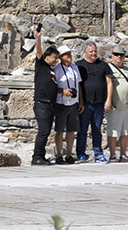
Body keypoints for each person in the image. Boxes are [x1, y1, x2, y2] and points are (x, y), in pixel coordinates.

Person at [76, 41, 113, 163]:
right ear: (85, 52)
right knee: (82, 130)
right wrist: (80, 102)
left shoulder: (103, 65)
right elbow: (78, 85)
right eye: (91, 51)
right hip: (85, 103)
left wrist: (108, 100)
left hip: (99, 103)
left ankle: (98, 153)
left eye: (95, 51)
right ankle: (81, 154)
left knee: (97, 129)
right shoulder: (79, 65)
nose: (94, 53)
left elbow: (109, 82)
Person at [32, 25, 60, 166]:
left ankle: (41, 157)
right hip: (42, 104)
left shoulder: (51, 71)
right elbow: (38, 50)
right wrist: (38, 37)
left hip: (50, 106)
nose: (56, 61)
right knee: (43, 131)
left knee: (46, 131)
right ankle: (36, 157)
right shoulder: (41, 66)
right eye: (54, 58)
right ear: (47, 57)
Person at [53, 44, 82, 164]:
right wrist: (63, 91)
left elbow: (78, 85)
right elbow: (53, 87)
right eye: (66, 54)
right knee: (60, 130)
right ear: (60, 57)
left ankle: (69, 155)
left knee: (71, 130)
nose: (69, 55)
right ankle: (59, 155)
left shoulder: (75, 67)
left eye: (70, 53)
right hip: (61, 103)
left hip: (74, 103)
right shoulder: (57, 69)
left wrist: (81, 101)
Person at [107, 45, 128, 163]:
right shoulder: (109, 69)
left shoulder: (127, 70)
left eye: (121, 55)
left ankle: (123, 154)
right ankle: (112, 154)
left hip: (127, 105)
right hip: (114, 105)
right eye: (116, 55)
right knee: (113, 130)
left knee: (126, 131)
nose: (119, 57)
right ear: (112, 56)